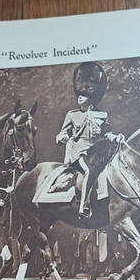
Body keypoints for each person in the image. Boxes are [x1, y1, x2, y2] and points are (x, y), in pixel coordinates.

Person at [56, 62, 121, 218]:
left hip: (98, 152)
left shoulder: (102, 115)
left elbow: (107, 133)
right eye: (79, 94)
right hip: (79, 153)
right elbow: (61, 134)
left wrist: (116, 137)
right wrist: (62, 138)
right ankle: (83, 206)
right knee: (89, 170)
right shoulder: (72, 115)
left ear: (91, 98)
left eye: (84, 95)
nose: (80, 97)